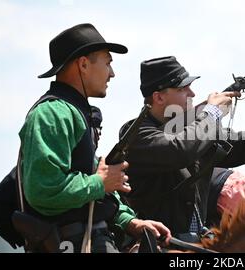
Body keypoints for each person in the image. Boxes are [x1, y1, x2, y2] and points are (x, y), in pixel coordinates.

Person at [18, 23, 171, 253]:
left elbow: (95, 184)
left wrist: (129, 221)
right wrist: (100, 183)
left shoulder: (73, 112)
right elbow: (44, 190)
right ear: (83, 64)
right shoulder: (52, 114)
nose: (112, 73)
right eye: (108, 63)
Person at [120, 56, 245, 242]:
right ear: (159, 97)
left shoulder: (196, 128)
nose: (192, 94)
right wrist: (212, 113)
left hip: (195, 243)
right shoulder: (136, 134)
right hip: (157, 244)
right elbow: (180, 151)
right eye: (182, 89)